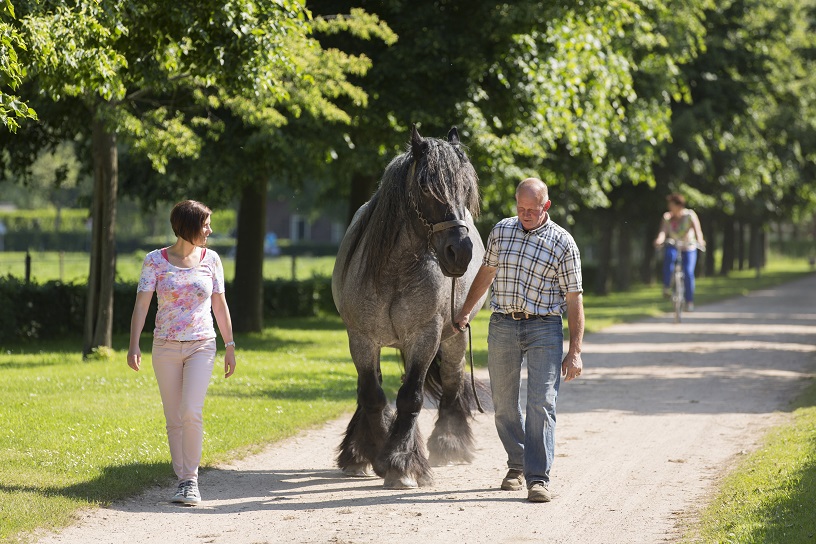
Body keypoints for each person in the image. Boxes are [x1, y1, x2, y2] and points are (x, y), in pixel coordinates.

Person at [454, 177, 584, 503]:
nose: (525, 214)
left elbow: (573, 299)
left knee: (541, 402)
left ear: (546, 206)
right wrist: (465, 310)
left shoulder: (563, 243)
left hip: (544, 327)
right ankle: (517, 463)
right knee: (503, 405)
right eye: (521, 208)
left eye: (532, 209)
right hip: (502, 325)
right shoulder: (502, 230)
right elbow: (486, 272)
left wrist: (575, 351)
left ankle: (538, 478)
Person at [127, 200, 237, 506]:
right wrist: (133, 344)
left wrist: (230, 346)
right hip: (164, 346)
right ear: (188, 227)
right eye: (205, 225)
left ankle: (191, 480)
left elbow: (219, 305)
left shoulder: (211, 259)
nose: (210, 230)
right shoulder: (154, 261)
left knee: (191, 410)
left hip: (202, 344)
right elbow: (141, 305)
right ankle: (182, 480)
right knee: (174, 417)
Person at [653, 193, 705, 311]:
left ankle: (689, 301)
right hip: (674, 244)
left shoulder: (690, 215)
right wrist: (659, 240)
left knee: (688, 272)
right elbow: (663, 232)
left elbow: (698, 231)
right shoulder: (667, 217)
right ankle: (667, 286)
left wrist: (700, 241)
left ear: (679, 205)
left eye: (671, 205)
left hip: (688, 246)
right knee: (669, 257)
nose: (669, 207)